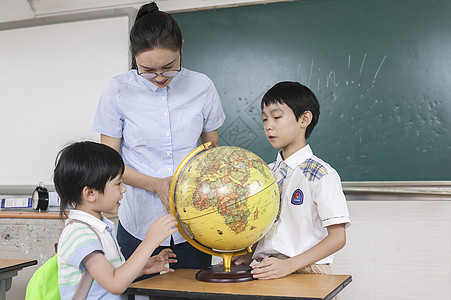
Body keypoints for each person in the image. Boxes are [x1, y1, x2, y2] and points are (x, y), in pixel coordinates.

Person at [92, 1, 225, 276]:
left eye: (169, 67)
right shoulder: (118, 90)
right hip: (138, 224)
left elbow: (212, 151)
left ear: (182, 48)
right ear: (135, 58)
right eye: (148, 71)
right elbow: (109, 163)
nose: (160, 77)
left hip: (194, 222)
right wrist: (156, 185)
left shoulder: (202, 86)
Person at [234, 81, 351, 284]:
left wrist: (289, 265)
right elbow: (266, 227)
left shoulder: (320, 174)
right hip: (269, 269)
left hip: (308, 271)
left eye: (277, 117)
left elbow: (337, 237)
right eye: (264, 119)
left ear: (304, 119)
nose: (268, 125)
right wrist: (249, 254)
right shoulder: (266, 173)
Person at [54, 141, 178, 299]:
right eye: (118, 184)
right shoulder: (79, 233)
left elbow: (111, 275)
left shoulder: (99, 227)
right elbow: (114, 284)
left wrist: (143, 268)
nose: (124, 189)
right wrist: (150, 241)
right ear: (90, 193)